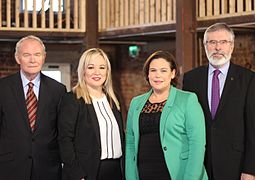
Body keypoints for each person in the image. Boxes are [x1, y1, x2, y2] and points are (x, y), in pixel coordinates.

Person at [183, 23, 255, 180]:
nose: (217, 47)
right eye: (212, 42)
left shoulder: (248, 79)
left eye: (223, 42)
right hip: (199, 164)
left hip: (235, 164)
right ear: (205, 46)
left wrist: (250, 170)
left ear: (231, 46)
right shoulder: (191, 78)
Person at [125, 51, 208, 180]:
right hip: (143, 173)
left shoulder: (188, 100)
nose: (158, 75)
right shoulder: (136, 102)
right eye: (153, 70)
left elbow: (197, 144)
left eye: (163, 70)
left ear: (173, 73)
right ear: (148, 74)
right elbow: (130, 143)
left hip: (177, 174)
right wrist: (130, 176)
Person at [0, 35, 66, 180]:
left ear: (44, 57)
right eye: (26, 55)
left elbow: (62, 132)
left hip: (48, 169)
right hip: (9, 168)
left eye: (37, 55)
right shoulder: (2, 88)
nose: (32, 60)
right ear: (17, 58)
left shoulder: (58, 90)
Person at [58, 48, 125, 180]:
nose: (97, 72)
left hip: (116, 170)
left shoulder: (113, 99)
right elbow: (64, 140)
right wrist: (78, 174)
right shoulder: (72, 99)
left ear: (107, 71)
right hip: (87, 172)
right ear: (83, 71)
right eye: (90, 67)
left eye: (102, 67)